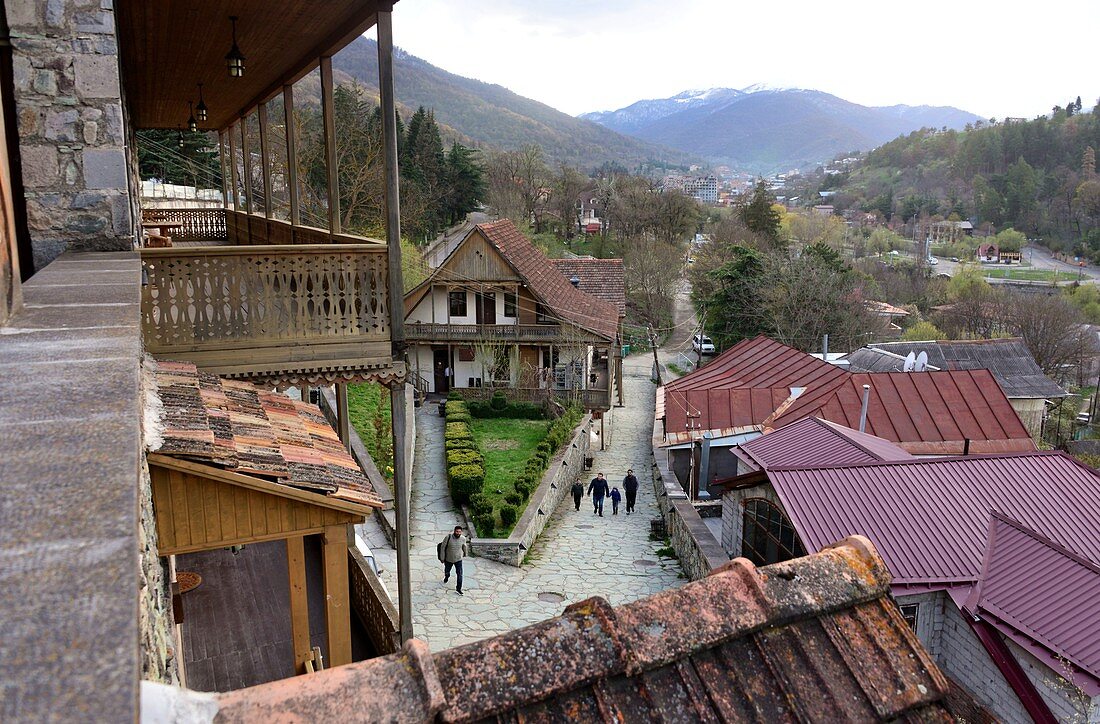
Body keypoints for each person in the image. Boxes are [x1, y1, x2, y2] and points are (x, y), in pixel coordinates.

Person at [438, 525, 468, 595]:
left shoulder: (463, 538)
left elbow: (464, 546)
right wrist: (442, 558)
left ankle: (458, 589)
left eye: (460, 532)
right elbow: (442, 547)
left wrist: (465, 553)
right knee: (447, 571)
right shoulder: (448, 537)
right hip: (448, 559)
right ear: (454, 531)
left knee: (460, 574)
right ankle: (446, 576)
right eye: (457, 531)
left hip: (458, 559)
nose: (458, 533)